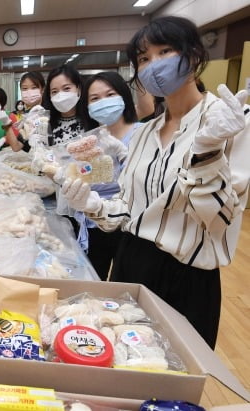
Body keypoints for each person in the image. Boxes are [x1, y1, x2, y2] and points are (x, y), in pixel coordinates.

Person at [60, 16, 250, 348]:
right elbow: (129, 211)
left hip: (186, 276)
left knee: (172, 384)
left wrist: (206, 151)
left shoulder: (229, 122)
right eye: (144, 59)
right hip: (131, 262)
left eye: (165, 52)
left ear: (193, 55)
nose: (154, 65)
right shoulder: (146, 132)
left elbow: (220, 218)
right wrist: (92, 205)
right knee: (127, 367)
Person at [78, 71, 141, 279]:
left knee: (126, 282)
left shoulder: (143, 133)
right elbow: (89, 177)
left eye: (110, 94)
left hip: (131, 224)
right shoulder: (92, 141)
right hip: (96, 221)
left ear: (123, 96)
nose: (103, 102)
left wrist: (124, 157)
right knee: (94, 280)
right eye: (95, 99)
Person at [4, 70, 47, 152]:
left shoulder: (50, 111)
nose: (29, 92)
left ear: (42, 89)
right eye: (25, 88)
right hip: (35, 161)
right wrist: (7, 126)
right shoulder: (27, 116)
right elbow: (16, 147)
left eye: (34, 87)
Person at [43, 64, 85, 145]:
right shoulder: (47, 125)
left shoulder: (92, 120)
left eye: (66, 88)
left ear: (79, 89)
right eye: (54, 91)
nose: (60, 96)